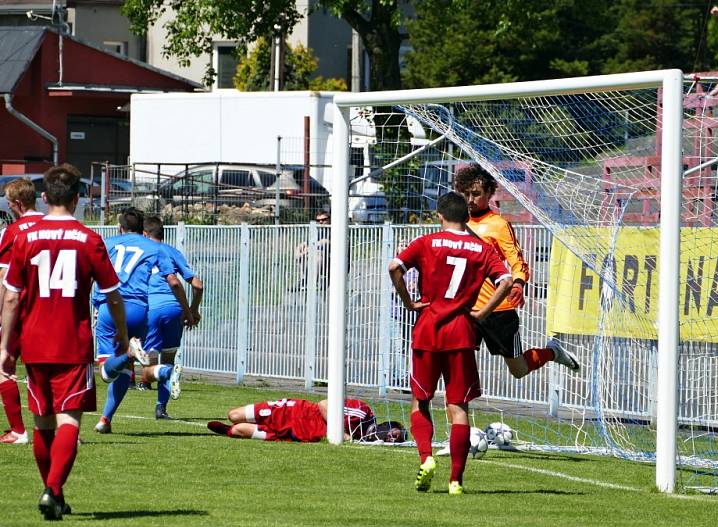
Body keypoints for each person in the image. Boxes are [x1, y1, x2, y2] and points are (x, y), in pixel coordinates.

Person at [0, 164, 128, 520]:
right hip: (73, 342)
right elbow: (113, 295)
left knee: (42, 421)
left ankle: (54, 494)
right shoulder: (89, 239)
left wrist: (6, 345)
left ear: (44, 198)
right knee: (68, 421)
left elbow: (11, 297)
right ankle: (53, 490)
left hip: (35, 342)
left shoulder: (24, 237)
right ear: (77, 198)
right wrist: (122, 332)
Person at [389, 191, 513, 496]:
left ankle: (426, 458)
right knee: (458, 407)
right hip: (461, 332)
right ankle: (456, 481)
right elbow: (507, 281)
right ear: (467, 217)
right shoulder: (480, 249)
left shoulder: (427, 242)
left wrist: (408, 302)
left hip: (428, 329)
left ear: (440, 215)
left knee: (421, 400)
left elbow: (394, 267)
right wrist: (483, 311)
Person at [454, 163, 579, 378]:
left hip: (498, 309)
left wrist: (519, 283)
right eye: (466, 194)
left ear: (489, 193)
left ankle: (552, 353)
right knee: (458, 362)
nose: (470, 200)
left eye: (476, 194)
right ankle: (459, 405)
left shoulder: (498, 225)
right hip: (467, 309)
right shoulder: (456, 223)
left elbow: (517, 261)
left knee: (518, 370)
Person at [93, 208, 193, 434]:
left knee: (107, 372)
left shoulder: (107, 243)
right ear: (143, 229)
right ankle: (105, 420)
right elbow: (174, 281)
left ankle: (129, 354)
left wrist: (94, 304)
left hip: (112, 305)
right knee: (127, 372)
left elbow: (92, 275)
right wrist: (186, 310)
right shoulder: (155, 247)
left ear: (120, 227)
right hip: (140, 310)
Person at [140, 216, 203, 419]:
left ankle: (157, 377)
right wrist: (191, 311)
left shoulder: (141, 251)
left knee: (148, 367)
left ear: (144, 234)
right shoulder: (173, 252)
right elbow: (198, 285)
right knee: (168, 357)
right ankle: (161, 408)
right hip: (174, 309)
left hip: (150, 308)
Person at [0, 178, 44, 445]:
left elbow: (5, 278)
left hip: (23, 309)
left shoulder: (14, 232)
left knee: (3, 366)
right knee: (51, 371)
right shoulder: (54, 225)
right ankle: (66, 430)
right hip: (54, 309)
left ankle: (18, 430)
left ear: (16, 203)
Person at [206, 397, 403, 443]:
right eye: (394, 434)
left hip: (298, 435)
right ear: (387, 425)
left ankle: (227, 431)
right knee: (234, 415)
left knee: (238, 430)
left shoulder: (364, 441)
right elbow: (324, 404)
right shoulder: (363, 413)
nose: (392, 439)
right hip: (293, 413)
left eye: (397, 440)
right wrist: (342, 434)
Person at [289, 211, 331, 292]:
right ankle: (305, 279)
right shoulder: (318, 231)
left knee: (318, 255)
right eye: (318, 220)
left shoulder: (332, 230)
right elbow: (308, 242)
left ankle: (313, 282)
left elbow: (325, 241)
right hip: (315, 256)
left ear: (329, 219)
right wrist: (299, 248)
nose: (321, 222)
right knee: (304, 256)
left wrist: (308, 249)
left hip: (329, 261)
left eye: (324, 219)